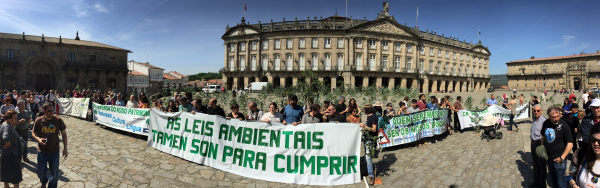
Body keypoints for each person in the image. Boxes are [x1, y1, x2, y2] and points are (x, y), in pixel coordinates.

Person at [32, 102, 68, 188]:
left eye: (53, 110)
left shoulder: (58, 120)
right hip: (42, 151)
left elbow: (64, 134)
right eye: (49, 111)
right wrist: (38, 139)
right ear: (44, 111)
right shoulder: (39, 120)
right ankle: (43, 182)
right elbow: (33, 132)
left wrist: (65, 149)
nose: (52, 112)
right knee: (41, 172)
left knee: (54, 173)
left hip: (54, 151)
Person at [541, 106, 574, 188]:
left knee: (561, 184)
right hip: (549, 159)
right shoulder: (546, 123)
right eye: (553, 117)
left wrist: (562, 158)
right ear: (549, 116)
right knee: (553, 182)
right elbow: (543, 136)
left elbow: (570, 144)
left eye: (557, 116)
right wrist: (542, 148)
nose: (556, 119)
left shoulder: (564, 125)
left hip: (560, 160)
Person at [1, 110, 23, 187]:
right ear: (8, 118)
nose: (16, 119)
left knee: (6, 178)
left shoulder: (7, 124)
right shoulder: (6, 126)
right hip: (11, 156)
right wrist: (8, 143)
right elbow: (5, 137)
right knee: (15, 178)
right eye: (14, 118)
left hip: (7, 155)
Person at [358, 103, 377, 185]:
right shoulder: (368, 117)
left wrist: (364, 126)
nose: (363, 110)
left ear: (367, 110)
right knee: (367, 157)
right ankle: (369, 171)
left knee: (368, 158)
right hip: (366, 139)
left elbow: (374, 129)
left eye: (364, 109)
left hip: (370, 140)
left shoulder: (373, 117)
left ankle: (371, 176)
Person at [529, 104, 547, 188]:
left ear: (541, 111)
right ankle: (536, 181)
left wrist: (542, 146)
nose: (536, 112)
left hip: (539, 144)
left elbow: (546, 135)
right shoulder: (534, 119)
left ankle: (542, 183)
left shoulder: (544, 121)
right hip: (532, 143)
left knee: (541, 165)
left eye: (538, 111)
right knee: (535, 164)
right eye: (534, 111)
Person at [579, 99, 600, 164]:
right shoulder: (586, 120)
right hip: (589, 150)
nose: (595, 110)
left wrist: (591, 136)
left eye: (597, 107)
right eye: (593, 107)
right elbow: (585, 137)